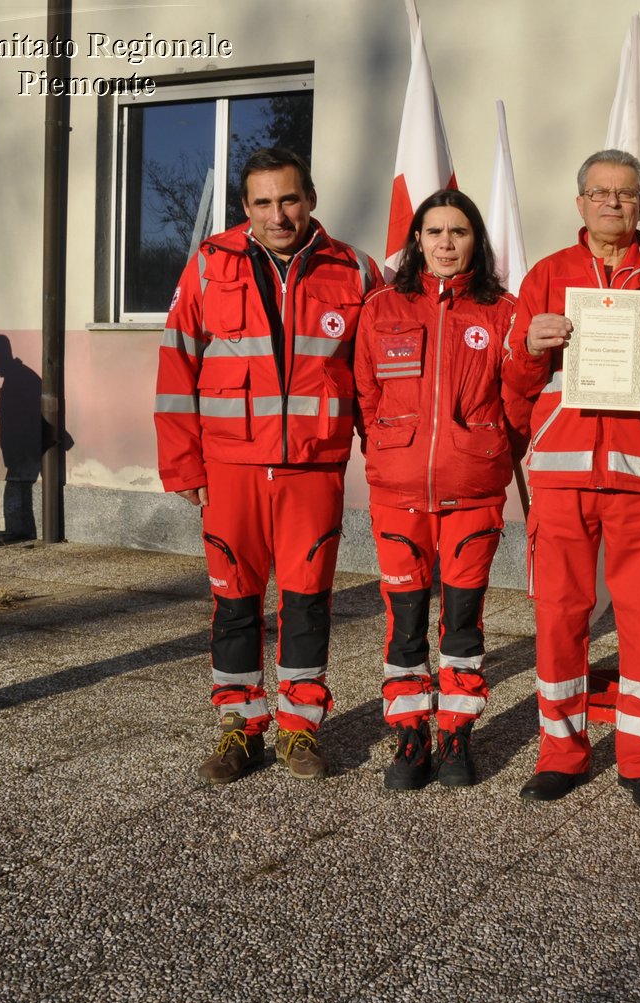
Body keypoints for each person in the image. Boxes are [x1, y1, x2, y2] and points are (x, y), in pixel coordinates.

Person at [156, 146, 382, 785]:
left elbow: (374, 378)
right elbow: (177, 368)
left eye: (289, 199)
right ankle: (239, 727)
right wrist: (183, 466)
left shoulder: (357, 271)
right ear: (245, 208)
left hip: (314, 467)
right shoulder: (207, 267)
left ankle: (300, 727)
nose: (278, 214)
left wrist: (386, 458)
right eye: (263, 203)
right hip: (231, 468)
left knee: (309, 602)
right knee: (234, 601)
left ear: (310, 199)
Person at [502, 148, 640, 809]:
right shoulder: (547, 276)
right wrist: (529, 347)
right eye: (600, 192)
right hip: (562, 479)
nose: (612, 203)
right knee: (560, 617)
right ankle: (562, 751)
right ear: (580, 202)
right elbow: (516, 386)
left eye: (625, 194)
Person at [355, 189, 525, 790]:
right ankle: (410, 733)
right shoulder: (381, 308)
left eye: (459, 232)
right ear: (417, 240)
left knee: (462, 621)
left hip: (473, 490)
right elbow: (365, 394)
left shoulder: (503, 311)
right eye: (435, 232)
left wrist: (490, 454)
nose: (446, 243)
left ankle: (456, 730)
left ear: (475, 240)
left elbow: (518, 404)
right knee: (404, 622)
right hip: (397, 493)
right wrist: (383, 448)